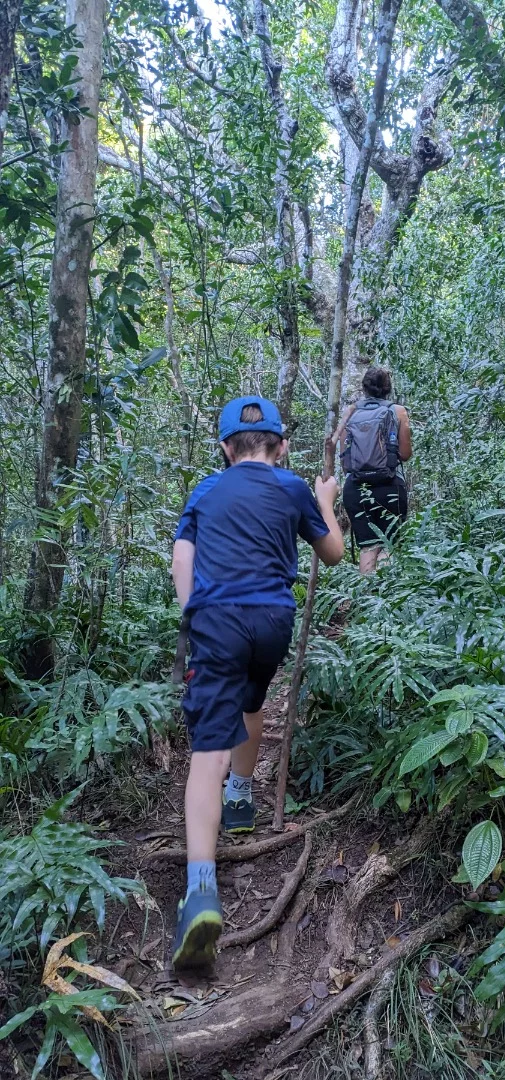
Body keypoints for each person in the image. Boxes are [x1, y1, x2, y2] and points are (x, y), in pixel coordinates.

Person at [170, 396, 344, 971]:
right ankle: (240, 801)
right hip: (272, 621)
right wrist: (324, 502)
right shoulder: (293, 487)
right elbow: (335, 553)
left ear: (225, 449)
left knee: (206, 752)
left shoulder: (204, 492)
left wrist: (195, 612)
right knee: (254, 700)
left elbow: (182, 554)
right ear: (281, 446)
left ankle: (201, 892)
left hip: (219, 620)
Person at [334, 367, 412, 574]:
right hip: (390, 486)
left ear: (364, 388)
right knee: (389, 545)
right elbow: (404, 454)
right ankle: (386, 598)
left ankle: (366, 601)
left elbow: (345, 460)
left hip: (356, 488)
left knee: (368, 546)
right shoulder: (398, 411)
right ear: (388, 388)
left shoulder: (350, 412)